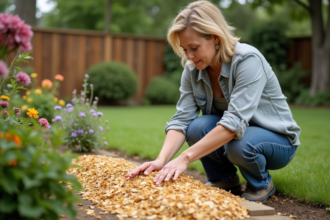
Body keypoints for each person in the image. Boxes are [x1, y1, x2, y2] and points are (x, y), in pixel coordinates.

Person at [125, 0, 301, 203]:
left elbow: (234, 123)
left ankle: (261, 184)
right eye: (184, 49)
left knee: (239, 143)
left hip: (277, 141)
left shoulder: (248, 61)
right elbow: (182, 120)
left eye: (194, 47)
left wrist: (184, 158)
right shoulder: (192, 70)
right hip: (238, 137)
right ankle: (224, 180)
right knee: (196, 127)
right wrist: (161, 160)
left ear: (215, 38)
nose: (189, 56)